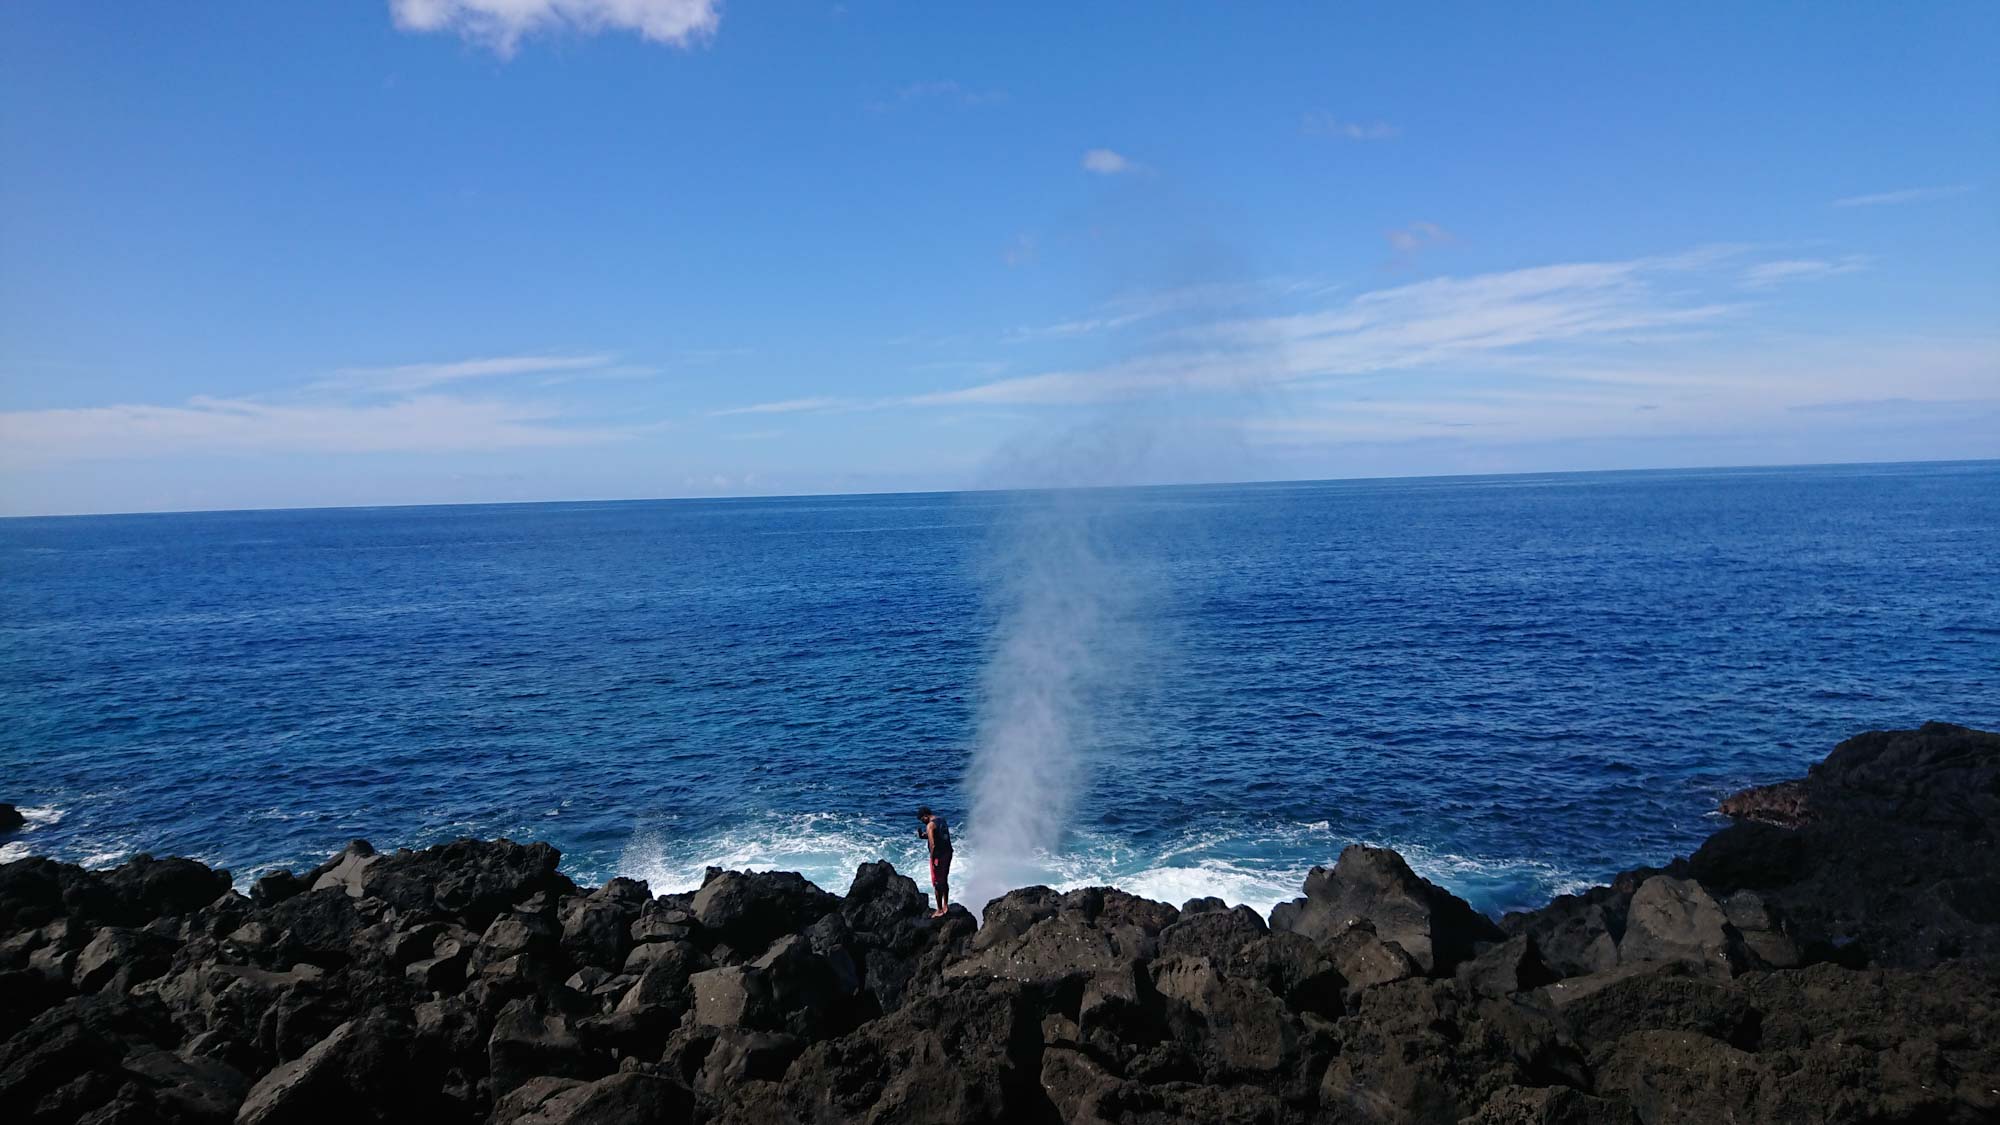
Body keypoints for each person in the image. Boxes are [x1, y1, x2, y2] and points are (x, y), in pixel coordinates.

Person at [916, 806, 952, 917]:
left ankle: (939, 910)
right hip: (948, 853)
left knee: (937, 883)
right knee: (944, 879)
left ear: (925, 816)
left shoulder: (930, 825)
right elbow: (940, 836)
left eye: (922, 819)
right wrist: (924, 836)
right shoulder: (941, 820)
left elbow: (933, 844)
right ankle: (946, 906)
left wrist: (932, 859)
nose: (923, 822)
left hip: (938, 856)